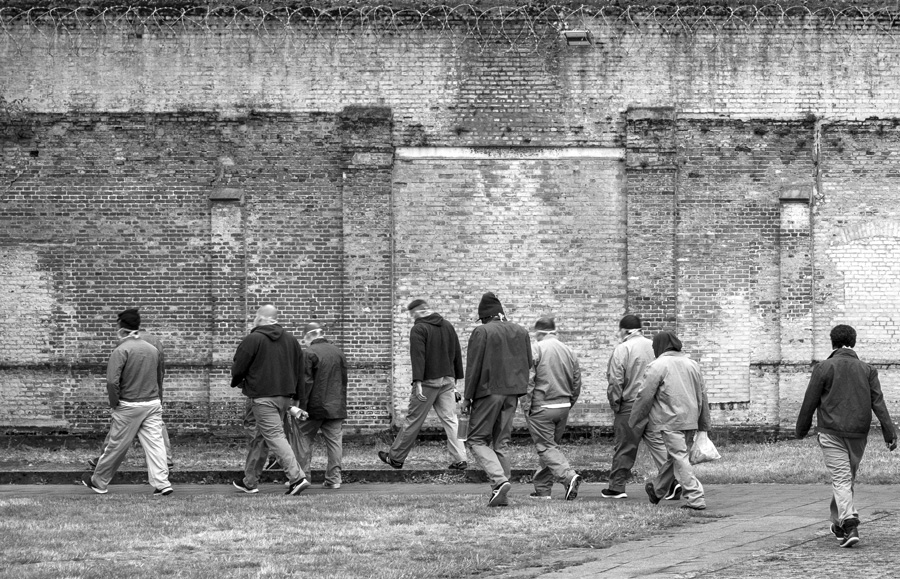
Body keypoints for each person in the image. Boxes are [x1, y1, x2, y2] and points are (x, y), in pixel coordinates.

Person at [796, 324, 897, 548]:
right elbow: (878, 402)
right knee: (844, 480)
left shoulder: (823, 368)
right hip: (858, 435)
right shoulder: (868, 370)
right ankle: (844, 521)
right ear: (854, 342)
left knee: (843, 480)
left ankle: (847, 523)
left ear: (832, 343)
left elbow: (809, 401)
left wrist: (801, 429)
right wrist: (889, 432)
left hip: (831, 432)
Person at [81, 309, 173, 496]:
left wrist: (115, 403)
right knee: (155, 445)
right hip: (152, 404)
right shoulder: (153, 349)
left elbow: (112, 381)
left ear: (121, 327)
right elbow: (158, 377)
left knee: (116, 445)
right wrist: (158, 400)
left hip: (129, 405)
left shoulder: (121, 350)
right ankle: (162, 483)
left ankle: (99, 481)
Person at [230, 304, 310, 496]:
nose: (253, 320)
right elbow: (300, 372)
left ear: (262, 318)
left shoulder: (253, 339)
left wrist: (238, 381)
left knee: (274, 436)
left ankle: (297, 478)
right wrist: (297, 399)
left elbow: (239, 366)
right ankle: (250, 481)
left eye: (255, 316)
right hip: (284, 397)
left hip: (262, 397)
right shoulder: (291, 341)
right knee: (261, 437)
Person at [379, 299, 468, 471]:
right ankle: (460, 459)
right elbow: (456, 352)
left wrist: (417, 382)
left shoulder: (419, 328)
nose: (412, 317)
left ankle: (395, 458)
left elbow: (418, 356)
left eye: (412, 314)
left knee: (414, 420)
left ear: (418, 312)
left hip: (428, 381)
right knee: (451, 420)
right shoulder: (448, 325)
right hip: (448, 380)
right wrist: (456, 380)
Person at [463, 292, 532, 507]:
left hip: (488, 392)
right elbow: (528, 362)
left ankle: (499, 480)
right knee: (501, 442)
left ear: (485, 317)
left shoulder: (481, 332)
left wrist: (467, 398)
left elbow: (473, 367)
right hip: (513, 393)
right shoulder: (521, 331)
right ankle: (500, 491)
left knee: (476, 439)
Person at [630, 330, 710, 511]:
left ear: (659, 346)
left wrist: (634, 419)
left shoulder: (657, 365)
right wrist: (704, 423)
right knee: (675, 457)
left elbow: (645, 395)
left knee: (679, 458)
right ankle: (657, 490)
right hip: (691, 420)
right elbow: (703, 395)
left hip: (669, 420)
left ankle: (696, 498)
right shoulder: (692, 364)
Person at [604, 315, 673, 500]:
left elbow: (615, 380)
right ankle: (674, 482)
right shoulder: (655, 347)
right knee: (659, 445)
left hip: (630, 405)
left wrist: (615, 403)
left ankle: (617, 487)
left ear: (625, 331)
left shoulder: (623, 349)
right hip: (653, 404)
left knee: (625, 446)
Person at [522, 317, 582, 501]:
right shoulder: (568, 350)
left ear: (539, 333)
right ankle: (542, 490)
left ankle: (569, 476)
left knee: (546, 447)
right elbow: (576, 380)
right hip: (563, 405)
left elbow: (528, 380)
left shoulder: (536, 348)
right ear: (554, 331)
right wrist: (569, 402)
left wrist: (526, 405)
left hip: (542, 405)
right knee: (551, 448)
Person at [295, 322, 348, 489]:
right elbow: (343, 381)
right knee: (334, 443)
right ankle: (334, 479)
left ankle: (302, 477)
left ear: (308, 336)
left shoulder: (308, 353)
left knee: (303, 440)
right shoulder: (338, 353)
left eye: (304, 339)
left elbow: (305, 383)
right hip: (336, 405)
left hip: (313, 407)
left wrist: (301, 407)